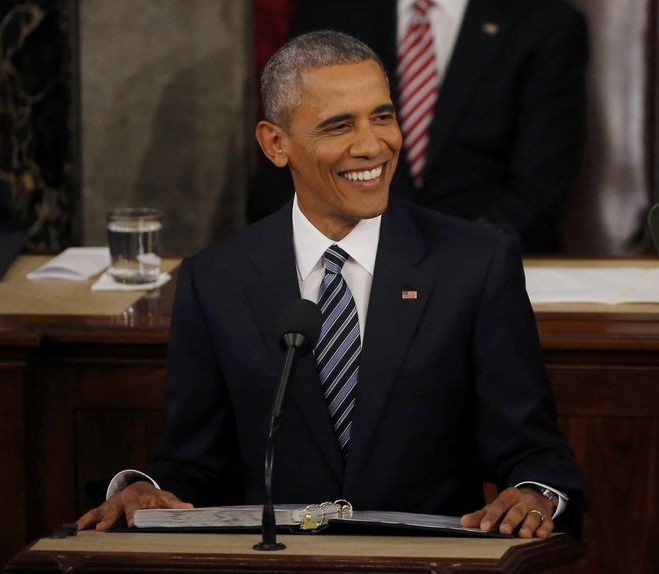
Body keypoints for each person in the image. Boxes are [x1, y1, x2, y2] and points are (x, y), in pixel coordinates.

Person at [77, 31, 586, 538]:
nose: (372, 145)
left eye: (383, 116)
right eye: (339, 125)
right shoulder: (215, 281)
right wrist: (143, 488)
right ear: (276, 144)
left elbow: (533, 451)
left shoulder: (475, 266)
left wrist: (535, 492)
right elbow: (194, 463)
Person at [247, 0, 589, 253]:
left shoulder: (545, 23)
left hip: (480, 258)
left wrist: (448, 256)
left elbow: (539, 190)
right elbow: (288, 162)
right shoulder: (330, 11)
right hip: (343, 256)